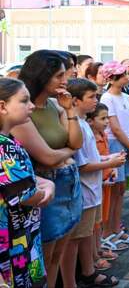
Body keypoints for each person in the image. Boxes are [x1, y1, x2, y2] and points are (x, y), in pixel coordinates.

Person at [16, 50, 83, 287]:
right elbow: (48, 157)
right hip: (47, 186)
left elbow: (76, 142)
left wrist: (71, 111)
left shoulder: (56, 105)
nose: (65, 81)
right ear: (41, 76)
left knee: (57, 255)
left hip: (68, 181)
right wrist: (67, 152)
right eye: (59, 76)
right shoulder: (24, 112)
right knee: (44, 258)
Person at [61, 78, 124, 288]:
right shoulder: (76, 125)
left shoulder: (83, 123)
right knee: (75, 239)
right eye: (91, 97)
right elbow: (82, 165)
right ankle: (72, 281)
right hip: (84, 192)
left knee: (87, 234)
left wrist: (108, 158)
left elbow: (91, 158)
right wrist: (110, 162)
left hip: (93, 190)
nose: (96, 100)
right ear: (75, 100)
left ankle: (89, 270)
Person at [0, 77, 54, 288]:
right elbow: (26, 194)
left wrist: (40, 182)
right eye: (24, 101)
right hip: (13, 242)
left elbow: (17, 178)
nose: (31, 106)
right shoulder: (5, 147)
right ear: (3, 106)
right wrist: (48, 188)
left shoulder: (8, 141)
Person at [99, 61, 129, 253]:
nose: (127, 77)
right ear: (112, 78)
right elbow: (114, 128)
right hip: (116, 144)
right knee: (114, 189)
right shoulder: (107, 98)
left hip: (128, 142)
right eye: (122, 75)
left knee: (121, 189)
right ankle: (108, 232)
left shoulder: (126, 96)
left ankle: (116, 228)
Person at [86, 104, 118, 268]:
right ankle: (93, 256)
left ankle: (98, 249)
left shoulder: (102, 134)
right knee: (93, 224)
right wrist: (111, 163)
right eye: (103, 118)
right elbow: (93, 161)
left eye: (107, 118)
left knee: (99, 220)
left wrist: (112, 167)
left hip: (104, 182)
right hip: (95, 183)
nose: (107, 121)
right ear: (90, 121)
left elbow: (105, 157)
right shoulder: (88, 137)